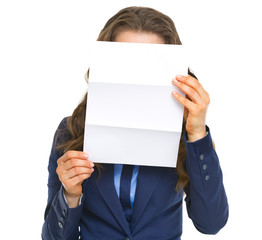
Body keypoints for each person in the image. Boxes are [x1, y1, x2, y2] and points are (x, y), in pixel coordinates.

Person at [42, 6, 228, 240]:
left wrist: (198, 133)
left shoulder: (187, 137)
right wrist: (70, 195)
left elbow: (211, 223)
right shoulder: (69, 132)